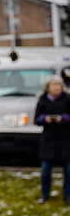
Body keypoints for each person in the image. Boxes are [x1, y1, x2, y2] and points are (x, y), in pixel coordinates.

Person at [35, 76, 70, 204]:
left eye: (58, 85)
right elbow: (36, 119)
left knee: (68, 170)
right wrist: (45, 119)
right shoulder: (43, 100)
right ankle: (45, 194)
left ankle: (68, 195)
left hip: (66, 140)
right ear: (48, 87)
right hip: (48, 140)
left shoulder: (67, 99)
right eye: (54, 85)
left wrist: (64, 118)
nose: (56, 88)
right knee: (45, 170)